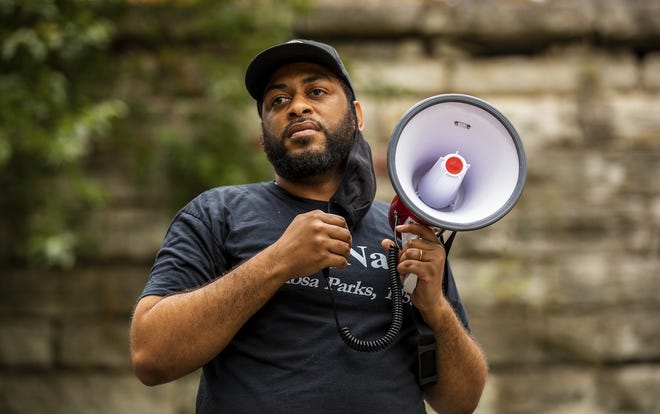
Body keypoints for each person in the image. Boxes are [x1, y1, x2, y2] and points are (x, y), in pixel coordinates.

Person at [130, 39, 488, 413]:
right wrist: (278, 261)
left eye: (316, 91)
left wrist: (434, 307)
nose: (297, 106)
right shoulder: (216, 213)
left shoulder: (404, 231)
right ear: (264, 130)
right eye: (278, 101)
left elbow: (460, 402)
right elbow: (151, 356)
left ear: (357, 115)